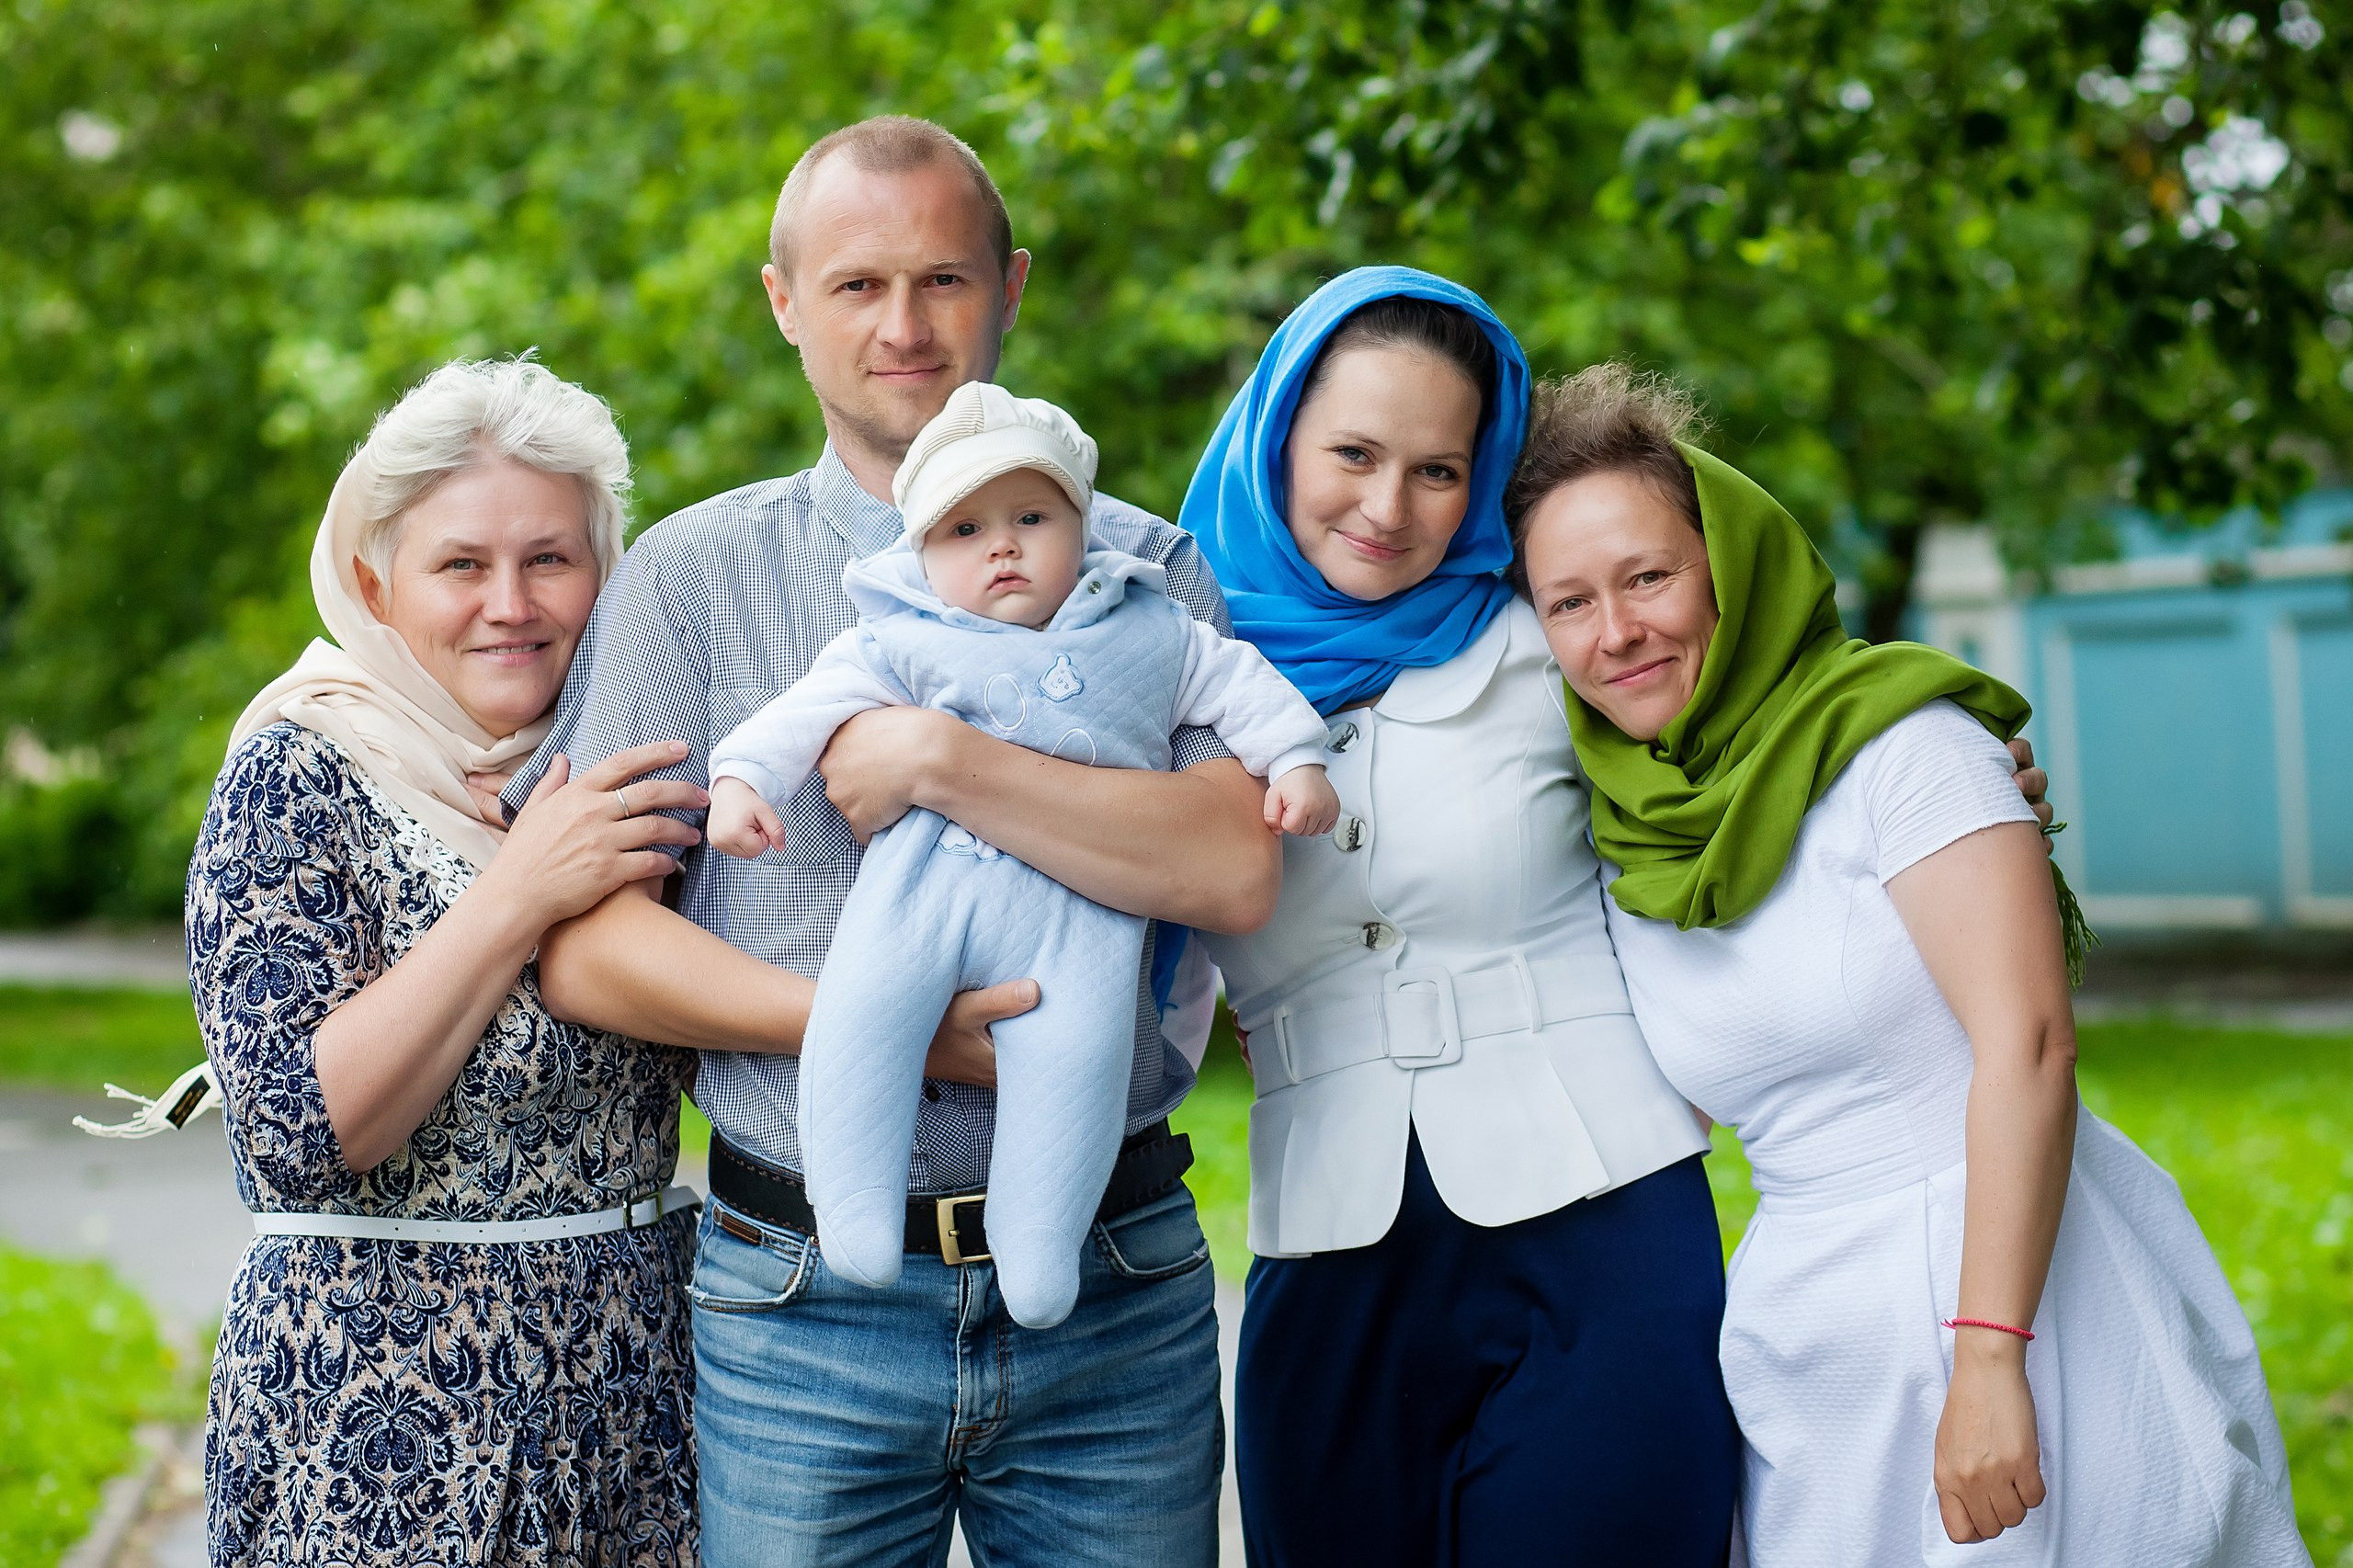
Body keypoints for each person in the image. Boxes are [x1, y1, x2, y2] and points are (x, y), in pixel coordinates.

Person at [506, 117, 1269, 1565]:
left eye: (944, 280)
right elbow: (589, 945)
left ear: (1013, 287)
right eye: (857, 286)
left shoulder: (1142, 566)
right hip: (799, 1300)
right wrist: (893, 1029)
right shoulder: (693, 579)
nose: (906, 327)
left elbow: (1230, 865)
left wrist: (945, 761)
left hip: (1113, 1280)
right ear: (785, 304)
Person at [1509, 364, 2312, 1566]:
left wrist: (1990, 1352)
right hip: (1809, 1334)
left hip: (2014, 1281)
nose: (1615, 630)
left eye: (1648, 576)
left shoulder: (1906, 744)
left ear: (1730, 562)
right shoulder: (1627, 837)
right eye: (1568, 602)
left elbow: (2030, 1044)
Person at [1180, 267, 1743, 1567]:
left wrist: (1949, 773)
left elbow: (1771, 762)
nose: (1388, 508)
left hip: (1602, 1226)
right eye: (1355, 454)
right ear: (1277, 439)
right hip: (1327, 1247)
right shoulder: (1171, 672)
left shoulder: (1553, 643)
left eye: (1440, 470)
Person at [191, 358, 710, 1565]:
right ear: (377, 581)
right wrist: (521, 890)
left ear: (607, 569)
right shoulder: (303, 766)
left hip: (643, 1390)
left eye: (550, 558)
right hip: (380, 1409)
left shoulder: (637, 764)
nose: (511, 603)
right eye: (462, 564)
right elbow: (296, 1133)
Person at [705, 381, 1333, 1327]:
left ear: (1081, 525)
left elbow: (1247, 690)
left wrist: (1296, 760)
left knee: (1079, 1058)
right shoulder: (899, 635)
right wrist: (743, 783)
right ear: (921, 553)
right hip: (918, 897)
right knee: (863, 1014)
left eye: (1031, 516)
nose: (1001, 544)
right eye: (964, 529)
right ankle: (854, 1211)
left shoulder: (1152, 626)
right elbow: (797, 718)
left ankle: (1040, 1249)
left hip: (1081, 917)